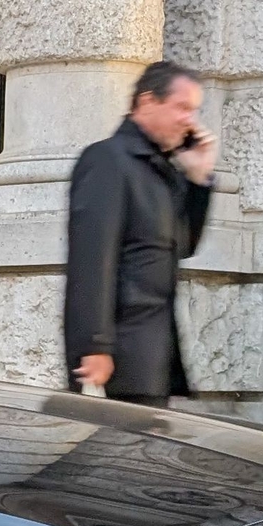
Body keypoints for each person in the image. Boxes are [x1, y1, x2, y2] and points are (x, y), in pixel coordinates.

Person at [64, 60, 218, 405]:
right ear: (147, 101)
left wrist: (198, 182)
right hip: (117, 356)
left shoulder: (163, 171)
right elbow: (92, 258)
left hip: (155, 354)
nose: (190, 120)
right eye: (182, 107)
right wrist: (95, 346)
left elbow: (184, 246)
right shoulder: (107, 159)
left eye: (194, 111)